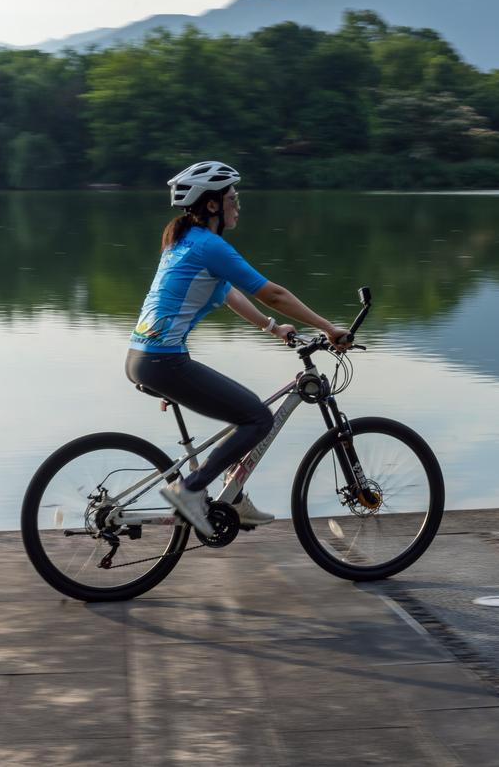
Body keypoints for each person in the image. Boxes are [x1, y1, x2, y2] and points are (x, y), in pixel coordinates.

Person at [125, 161, 348, 536]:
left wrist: (273, 328)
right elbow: (273, 293)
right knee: (257, 418)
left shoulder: (183, 243)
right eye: (232, 197)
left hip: (142, 358)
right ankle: (191, 489)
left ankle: (233, 494)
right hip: (164, 362)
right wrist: (328, 328)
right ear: (212, 205)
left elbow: (228, 293)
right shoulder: (210, 246)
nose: (237, 204)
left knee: (241, 412)